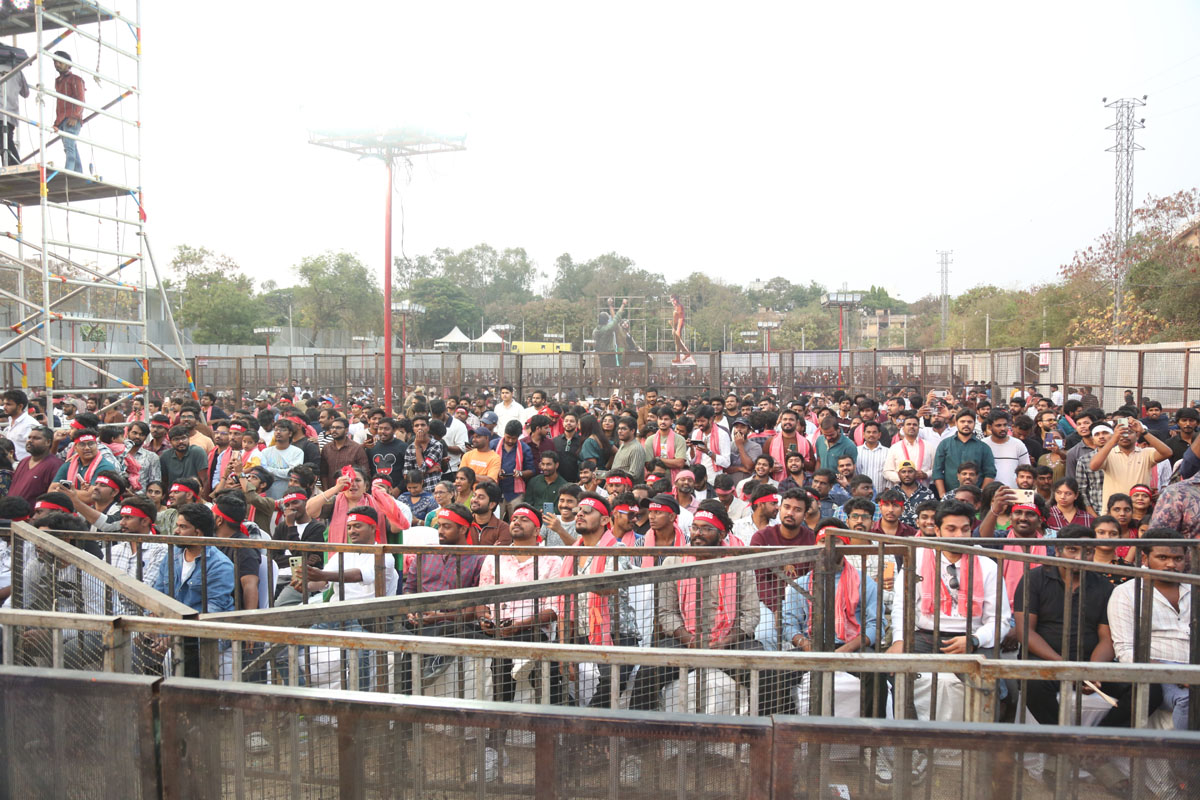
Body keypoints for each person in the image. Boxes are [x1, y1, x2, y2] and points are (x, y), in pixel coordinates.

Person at [888, 501, 1010, 728]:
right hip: (924, 637)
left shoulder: (987, 565)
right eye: (951, 529)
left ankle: (981, 747)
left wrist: (974, 640)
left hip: (972, 639)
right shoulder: (916, 559)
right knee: (896, 674)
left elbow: (1000, 620)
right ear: (937, 529)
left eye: (964, 529)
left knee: (992, 688)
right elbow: (901, 607)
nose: (959, 535)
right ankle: (910, 744)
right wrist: (899, 640)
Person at [477, 502, 565, 774]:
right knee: (501, 676)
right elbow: (482, 598)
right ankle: (494, 750)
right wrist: (484, 619)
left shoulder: (552, 560)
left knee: (546, 680)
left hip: (533, 631)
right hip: (501, 631)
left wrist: (519, 625)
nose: (516, 522)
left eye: (524, 519)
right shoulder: (495, 557)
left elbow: (553, 610)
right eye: (513, 518)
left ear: (536, 528)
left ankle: (550, 753)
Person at [1107, 529, 1191, 731]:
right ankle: (1185, 761)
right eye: (1162, 557)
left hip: (1194, 667)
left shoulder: (1194, 588)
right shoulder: (1126, 593)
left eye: (1177, 558)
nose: (1171, 564)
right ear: (1144, 557)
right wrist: (1174, 673)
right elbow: (1126, 651)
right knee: (1189, 701)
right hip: (1155, 672)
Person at [748, 488, 815, 653]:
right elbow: (759, 579)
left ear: (805, 514)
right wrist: (775, 606)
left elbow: (813, 578)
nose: (790, 513)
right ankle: (771, 676)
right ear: (780, 508)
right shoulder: (762, 537)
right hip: (767, 601)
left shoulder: (811, 538)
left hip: (801, 602)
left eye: (797, 510)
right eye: (786, 507)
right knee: (765, 634)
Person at [1088, 418, 1171, 509]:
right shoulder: (1107, 454)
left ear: (1137, 436)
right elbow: (1093, 466)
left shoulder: (1146, 453)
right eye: (1121, 433)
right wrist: (1113, 439)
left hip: (1139, 510)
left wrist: (1143, 431)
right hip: (1114, 511)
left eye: (1130, 432)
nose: (1125, 436)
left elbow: (1168, 453)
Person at [933, 409, 997, 496]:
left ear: (974, 424)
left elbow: (990, 473)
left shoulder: (983, 447)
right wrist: (942, 494)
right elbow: (937, 471)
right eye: (962, 421)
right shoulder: (945, 444)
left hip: (975, 497)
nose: (966, 424)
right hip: (950, 496)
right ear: (956, 423)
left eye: (970, 422)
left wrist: (981, 495)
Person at [7, 425, 64, 504]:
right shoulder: (23, 461)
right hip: (12, 513)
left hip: (35, 514)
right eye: (29, 437)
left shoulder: (55, 465)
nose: (30, 441)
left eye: (36, 438)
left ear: (48, 442)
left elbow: (55, 496)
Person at [52, 51, 85, 172]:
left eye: (60, 62)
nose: (57, 64)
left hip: (71, 119)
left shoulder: (75, 79)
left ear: (68, 64)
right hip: (62, 120)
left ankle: (68, 173)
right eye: (55, 62)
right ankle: (78, 173)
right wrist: (56, 123)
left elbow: (81, 100)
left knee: (69, 148)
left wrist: (75, 116)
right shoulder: (59, 81)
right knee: (71, 147)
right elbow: (60, 104)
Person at [53, 428, 120, 486]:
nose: (87, 448)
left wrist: (67, 491)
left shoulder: (105, 466)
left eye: (91, 444)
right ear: (75, 448)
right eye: (82, 445)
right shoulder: (69, 464)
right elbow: (52, 489)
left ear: (97, 445)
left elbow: (91, 496)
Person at [319, 415, 368, 492]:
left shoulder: (356, 448)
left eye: (338, 428)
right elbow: (323, 473)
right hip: (331, 493)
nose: (334, 430)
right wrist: (326, 492)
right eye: (332, 427)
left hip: (351, 492)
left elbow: (365, 474)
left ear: (346, 430)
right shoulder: (326, 448)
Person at [470, 481, 512, 546]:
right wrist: (491, 550)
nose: (474, 500)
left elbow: (500, 555)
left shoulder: (503, 528)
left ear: (492, 505)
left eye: (481, 497)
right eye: (474, 495)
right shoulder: (463, 523)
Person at [367, 416, 407, 482]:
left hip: (397, 489)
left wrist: (398, 489)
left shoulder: (403, 447)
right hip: (376, 488)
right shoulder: (371, 447)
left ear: (394, 430)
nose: (382, 431)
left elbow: (407, 471)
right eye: (380, 428)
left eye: (386, 429)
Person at [1, 389, 35, 461]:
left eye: (8, 404)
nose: (4, 407)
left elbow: (36, 450)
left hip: (24, 466)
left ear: (20, 406)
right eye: (4, 404)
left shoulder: (29, 424)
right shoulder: (11, 420)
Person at [669, 294, 691, 364]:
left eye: (672, 300)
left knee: (677, 342)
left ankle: (680, 357)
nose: (671, 302)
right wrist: (672, 324)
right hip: (675, 326)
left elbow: (681, 318)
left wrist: (678, 329)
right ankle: (685, 353)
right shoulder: (676, 307)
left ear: (675, 300)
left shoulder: (679, 307)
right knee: (677, 342)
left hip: (678, 326)